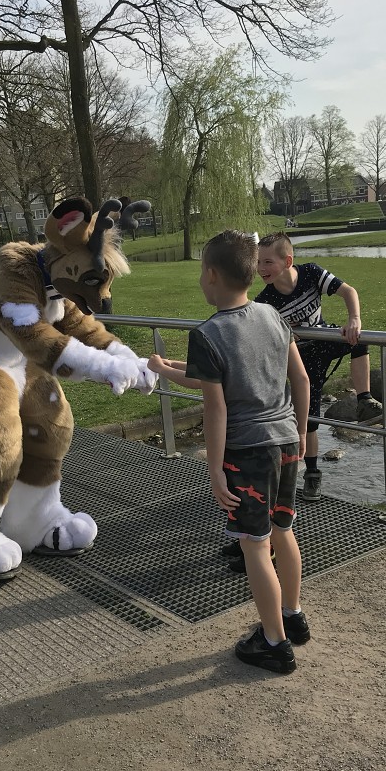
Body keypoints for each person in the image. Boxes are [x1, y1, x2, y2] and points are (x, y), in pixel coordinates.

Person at [149, 230, 310, 675]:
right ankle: (293, 616)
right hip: (285, 440)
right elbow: (299, 379)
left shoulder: (208, 333)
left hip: (247, 450)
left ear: (212, 275)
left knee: (254, 545)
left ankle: (274, 642)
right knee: (283, 530)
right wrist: (299, 431)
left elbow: (215, 405)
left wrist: (216, 468)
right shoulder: (272, 316)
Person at [255, 232, 383, 502]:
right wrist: (284, 333)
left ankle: (364, 399)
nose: (261, 268)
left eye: (267, 262)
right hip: (303, 358)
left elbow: (348, 291)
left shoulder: (311, 273)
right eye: (258, 262)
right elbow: (264, 338)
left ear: (287, 261)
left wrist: (354, 319)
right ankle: (312, 474)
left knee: (358, 341)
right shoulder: (264, 301)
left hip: (325, 339)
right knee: (309, 416)